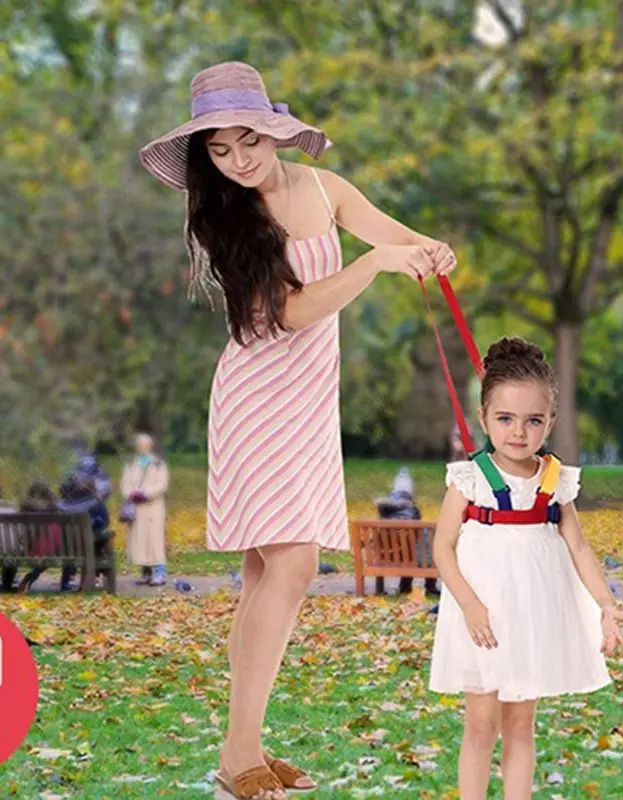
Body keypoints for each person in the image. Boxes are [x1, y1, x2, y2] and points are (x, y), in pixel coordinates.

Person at [138, 60, 457, 799]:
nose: (237, 161)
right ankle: (237, 751)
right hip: (259, 396)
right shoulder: (225, 214)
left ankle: (243, 745)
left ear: (274, 132)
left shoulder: (322, 188)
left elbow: (395, 235)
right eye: (218, 151)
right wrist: (378, 265)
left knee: (267, 571)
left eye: (247, 141)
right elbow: (289, 313)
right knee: (292, 564)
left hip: (310, 400)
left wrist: (427, 252)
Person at [429, 337, 623, 800]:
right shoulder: (470, 478)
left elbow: (577, 546)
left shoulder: (555, 480)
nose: (519, 432)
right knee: (481, 723)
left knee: (521, 723)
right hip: (484, 618)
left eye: (533, 420)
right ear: (483, 419)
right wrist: (471, 606)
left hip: (531, 617)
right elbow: (442, 548)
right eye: (505, 419)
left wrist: (607, 606)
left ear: (550, 421)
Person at [374, 467, 439, 596]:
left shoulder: (384, 512)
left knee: (410, 549)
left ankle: (401, 587)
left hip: (387, 556)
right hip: (410, 556)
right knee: (423, 545)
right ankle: (430, 588)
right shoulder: (412, 510)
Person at [120, 433, 169, 587]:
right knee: (140, 541)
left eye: (145, 443)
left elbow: (162, 484)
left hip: (153, 508)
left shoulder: (158, 463)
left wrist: (147, 494)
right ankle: (145, 571)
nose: (142, 446)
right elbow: (125, 484)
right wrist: (131, 494)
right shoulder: (131, 464)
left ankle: (160, 572)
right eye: (140, 443)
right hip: (137, 509)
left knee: (154, 540)